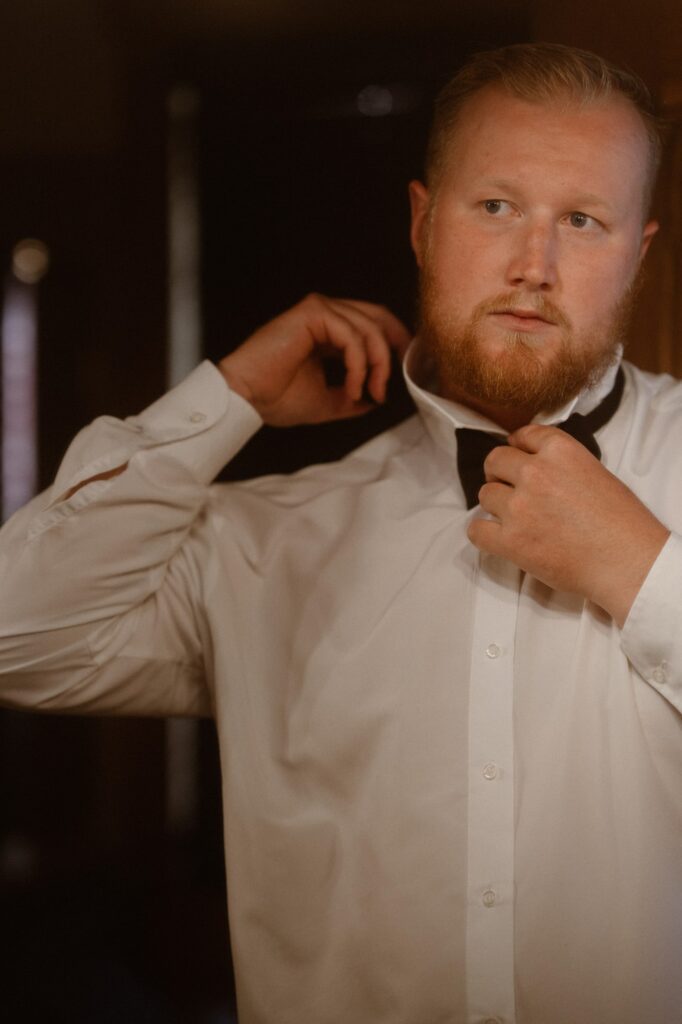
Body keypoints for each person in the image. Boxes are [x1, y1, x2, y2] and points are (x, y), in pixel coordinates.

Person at [1, 41, 680, 1024]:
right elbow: (17, 633)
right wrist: (223, 401)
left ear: (640, 252)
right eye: (496, 207)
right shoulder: (265, 541)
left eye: (582, 221)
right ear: (421, 221)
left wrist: (642, 570)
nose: (534, 265)